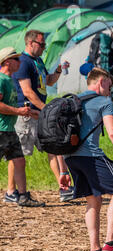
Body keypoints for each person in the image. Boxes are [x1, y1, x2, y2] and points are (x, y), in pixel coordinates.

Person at [59, 67, 113, 251]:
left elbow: (59, 137)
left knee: (93, 199)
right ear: (101, 82)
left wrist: (63, 170)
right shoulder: (104, 102)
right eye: (109, 86)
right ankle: (111, 243)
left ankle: (95, 248)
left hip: (70, 158)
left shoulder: (72, 101)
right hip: (90, 156)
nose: (110, 91)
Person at [11, 29, 73, 203]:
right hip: (28, 113)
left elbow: (47, 81)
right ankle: (11, 191)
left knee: (52, 147)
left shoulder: (37, 61)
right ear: (31, 43)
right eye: (42, 44)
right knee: (18, 155)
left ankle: (64, 187)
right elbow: (28, 92)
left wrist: (59, 71)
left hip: (40, 114)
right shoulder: (23, 62)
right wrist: (47, 110)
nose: (45, 48)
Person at [0, 47, 44, 207]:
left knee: (19, 161)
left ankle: (23, 196)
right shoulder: (1, 80)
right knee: (18, 160)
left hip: (9, 130)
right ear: (6, 62)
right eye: (16, 59)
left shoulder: (10, 80)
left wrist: (30, 112)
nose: (20, 62)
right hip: (1, 130)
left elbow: (10, 105)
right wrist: (18, 111)